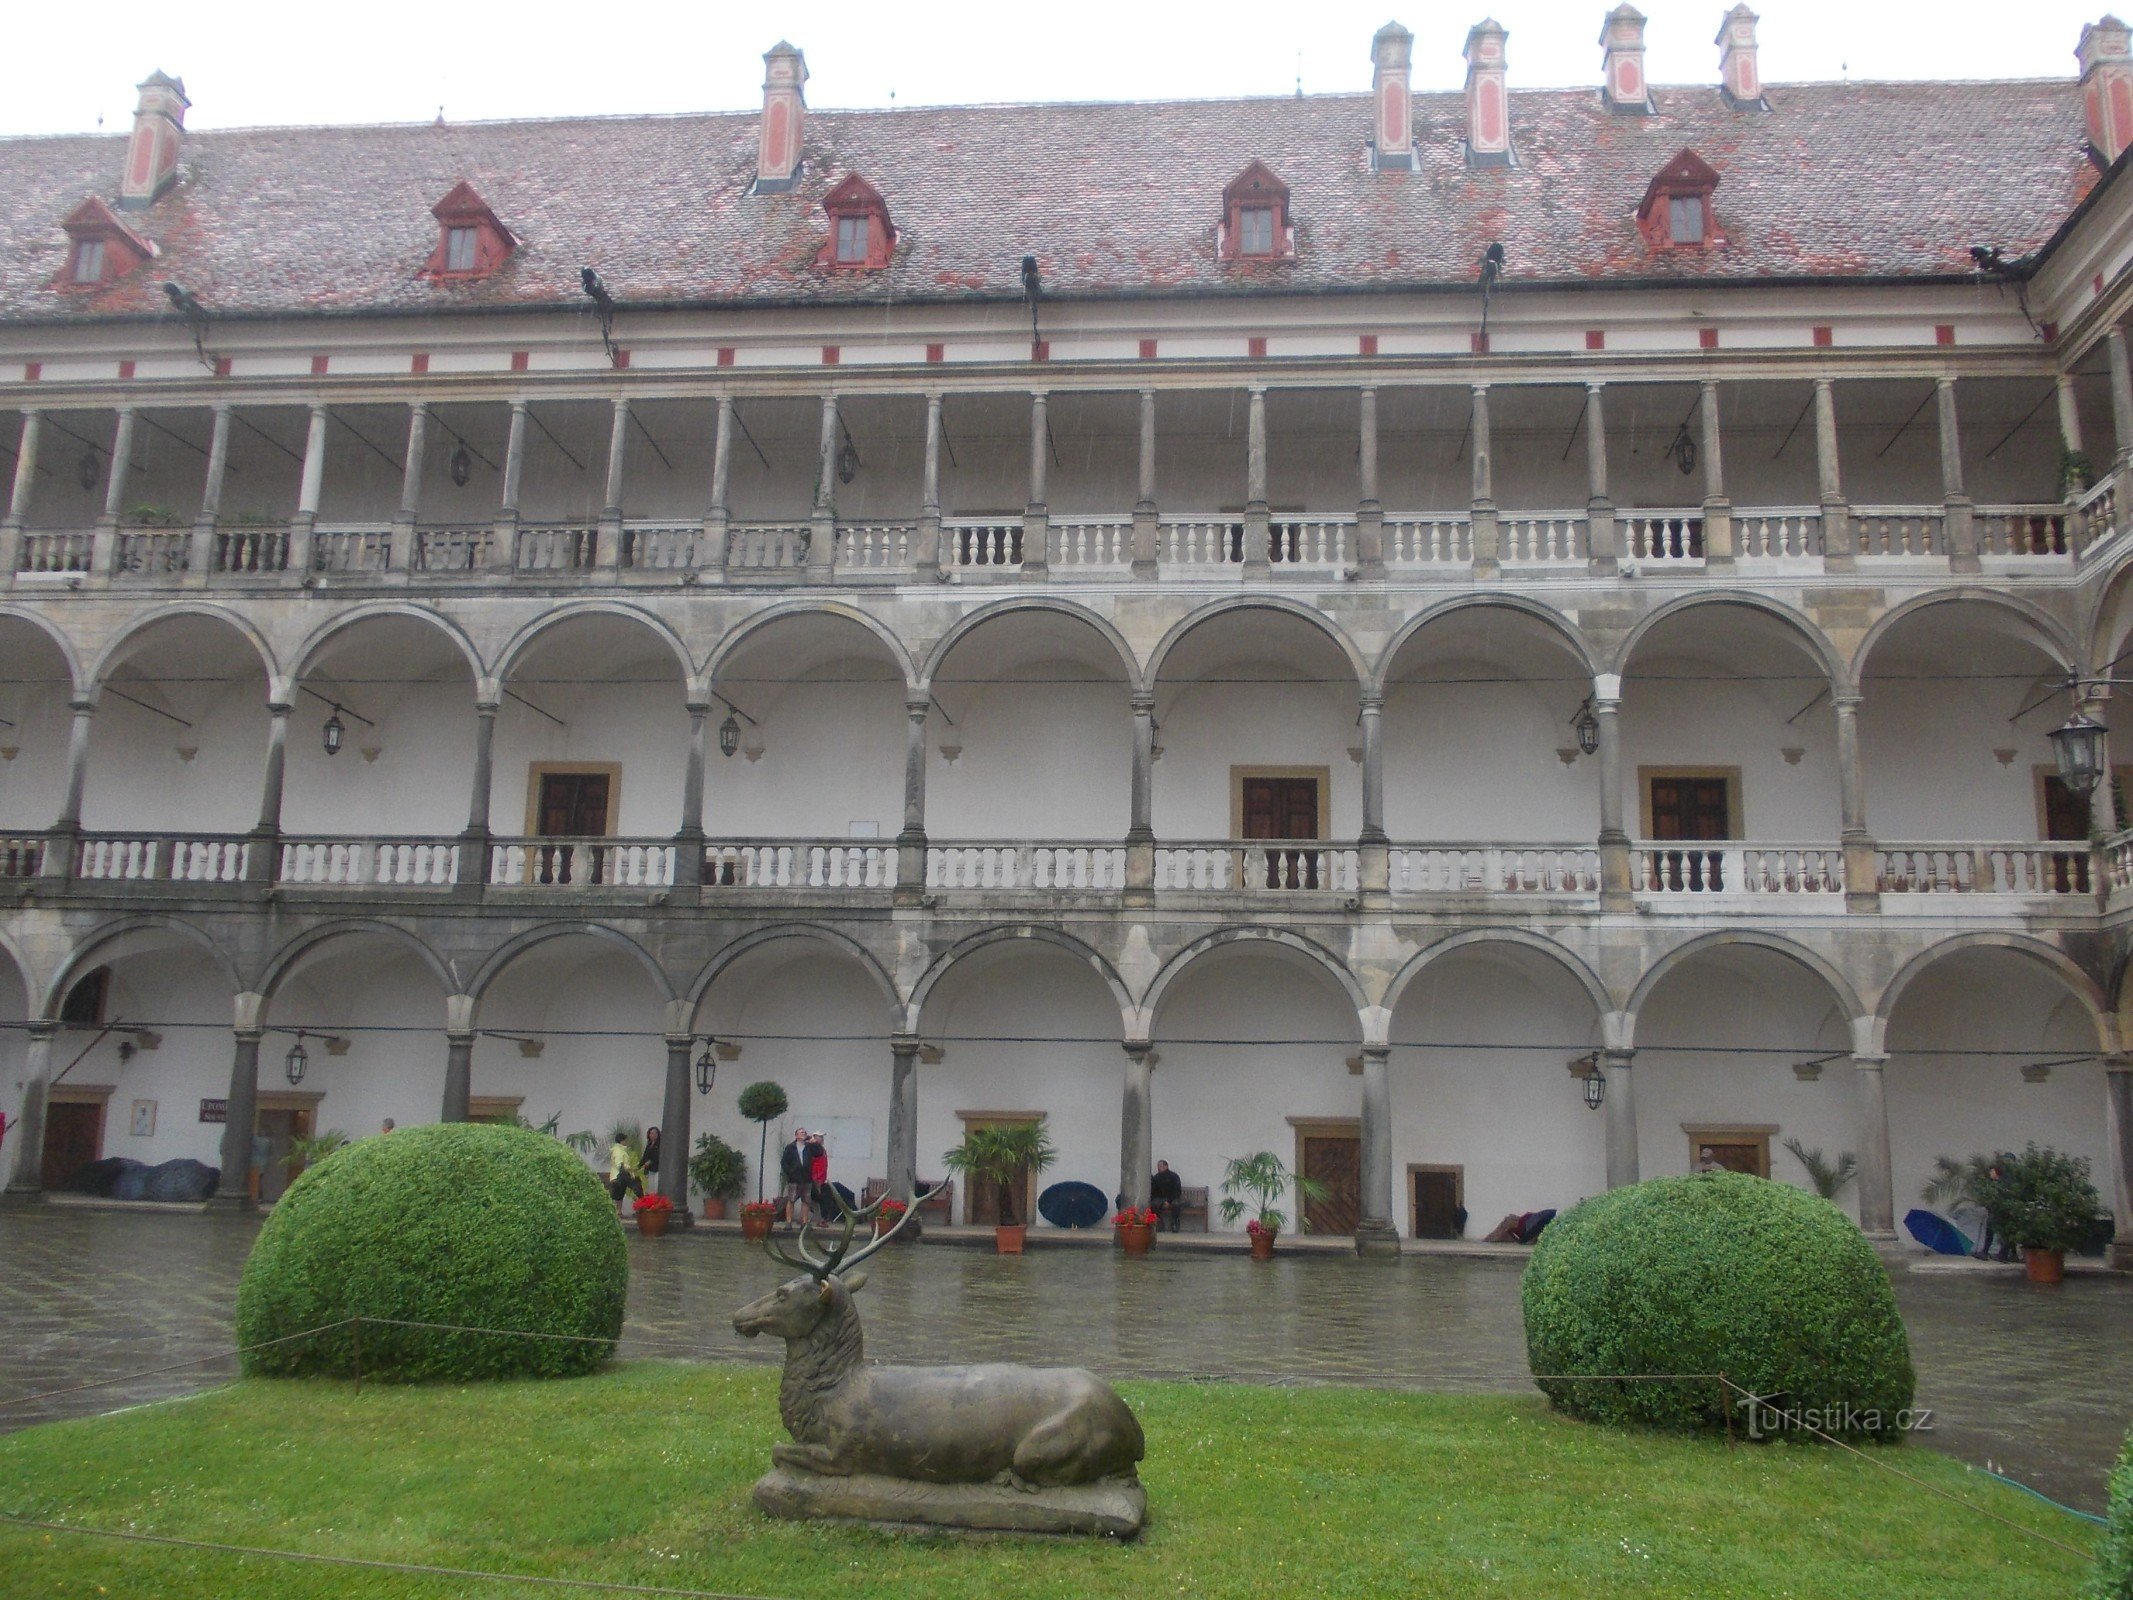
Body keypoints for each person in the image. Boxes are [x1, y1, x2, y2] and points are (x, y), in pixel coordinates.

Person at [779, 1128, 811, 1220]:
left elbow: (819, 1152)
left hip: (806, 1178)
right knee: (791, 1200)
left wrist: (814, 1142)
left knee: (806, 1201)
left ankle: (804, 1221)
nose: (804, 1134)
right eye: (801, 1132)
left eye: (805, 1132)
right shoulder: (790, 1147)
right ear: (796, 1136)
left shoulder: (809, 1147)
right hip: (794, 1178)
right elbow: (784, 1162)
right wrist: (790, 1173)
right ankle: (789, 1221)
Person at [607, 1134, 642, 1209]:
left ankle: (618, 1212)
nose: (627, 1142)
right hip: (620, 1175)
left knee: (619, 1195)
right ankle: (618, 1212)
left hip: (617, 1175)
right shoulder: (619, 1151)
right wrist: (629, 1169)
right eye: (625, 1140)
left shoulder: (619, 1150)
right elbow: (619, 1164)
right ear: (622, 1141)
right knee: (620, 1194)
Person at [1150, 1159, 1184, 1232]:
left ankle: (1175, 1224)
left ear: (1166, 1166)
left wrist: (1168, 1201)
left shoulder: (1174, 1176)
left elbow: (1177, 1191)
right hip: (1161, 1199)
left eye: (1160, 1166)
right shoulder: (1156, 1178)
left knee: (1176, 1204)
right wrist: (1160, 1201)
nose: (1158, 1168)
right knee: (1153, 1204)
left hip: (1173, 1198)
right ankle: (1159, 1223)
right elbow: (1154, 1192)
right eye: (1158, 1166)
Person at [805, 1129, 830, 1222]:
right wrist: (815, 1177)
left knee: (816, 1199)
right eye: (820, 1137)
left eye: (822, 1137)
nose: (822, 1139)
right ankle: (813, 1219)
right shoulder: (812, 1148)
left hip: (821, 1178)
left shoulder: (821, 1148)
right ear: (815, 1138)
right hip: (815, 1178)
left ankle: (817, 1219)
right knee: (813, 1198)